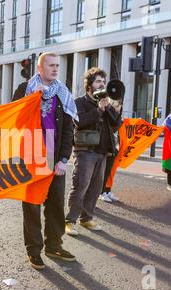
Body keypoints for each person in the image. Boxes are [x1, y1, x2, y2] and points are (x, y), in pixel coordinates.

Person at [12, 52, 77, 270]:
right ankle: (34, 250)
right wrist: (32, 100)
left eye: (57, 65)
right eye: (50, 65)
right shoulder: (25, 90)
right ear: (39, 68)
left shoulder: (63, 93)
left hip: (54, 156)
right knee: (31, 205)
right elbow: (13, 119)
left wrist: (64, 158)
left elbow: (69, 128)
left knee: (56, 203)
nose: (55, 69)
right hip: (32, 155)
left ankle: (54, 245)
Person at [65, 68, 122, 236]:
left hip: (103, 152)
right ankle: (69, 221)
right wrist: (98, 109)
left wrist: (116, 112)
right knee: (81, 185)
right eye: (98, 82)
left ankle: (87, 219)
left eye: (104, 82)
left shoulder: (107, 103)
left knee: (96, 188)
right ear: (89, 86)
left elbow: (115, 127)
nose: (102, 85)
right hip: (85, 151)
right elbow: (80, 122)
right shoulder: (80, 102)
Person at [99, 100, 123, 203]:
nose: (118, 108)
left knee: (110, 172)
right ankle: (102, 192)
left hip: (113, 149)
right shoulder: (107, 115)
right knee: (103, 173)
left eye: (120, 106)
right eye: (116, 105)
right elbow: (113, 128)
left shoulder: (118, 118)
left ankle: (107, 191)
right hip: (105, 147)